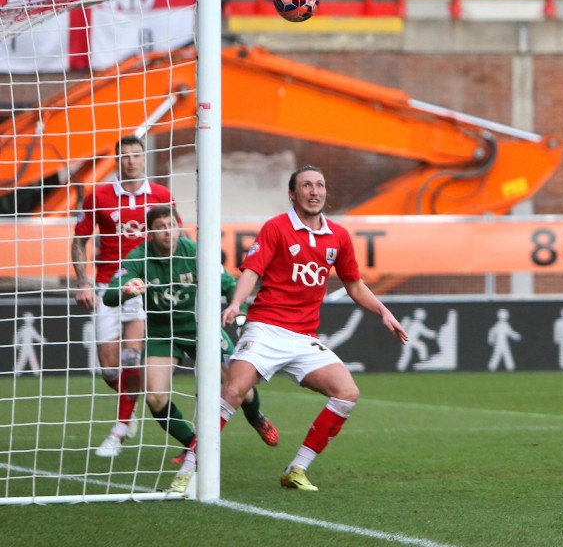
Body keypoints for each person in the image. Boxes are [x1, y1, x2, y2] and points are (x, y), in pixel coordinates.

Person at [172, 166, 408, 492]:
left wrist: (383, 311)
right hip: (266, 328)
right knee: (232, 392)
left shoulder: (338, 236)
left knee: (347, 393)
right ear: (292, 194)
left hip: (304, 337)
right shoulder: (276, 228)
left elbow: (354, 285)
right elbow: (252, 272)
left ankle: (296, 469)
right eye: (307, 185)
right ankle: (187, 471)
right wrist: (236, 303)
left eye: (320, 185)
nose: (314, 191)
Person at [103, 205, 279, 475]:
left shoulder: (195, 251)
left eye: (170, 225)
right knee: (154, 396)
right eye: (160, 227)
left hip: (200, 326)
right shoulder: (138, 256)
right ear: (150, 232)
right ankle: (194, 444)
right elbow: (109, 296)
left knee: (235, 382)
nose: (166, 232)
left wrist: (236, 305)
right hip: (163, 333)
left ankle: (255, 416)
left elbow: (229, 284)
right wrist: (127, 290)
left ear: (178, 226)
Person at [72, 135, 175, 457]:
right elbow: (79, 240)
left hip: (144, 287)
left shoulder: (161, 195)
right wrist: (83, 282)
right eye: (125, 156)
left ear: (144, 159)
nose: (131, 161)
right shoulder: (99, 196)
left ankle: (120, 427)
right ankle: (129, 405)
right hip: (107, 287)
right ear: (117, 161)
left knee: (133, 356)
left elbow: (175, 236)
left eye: (136, 155)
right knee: (110, 369)